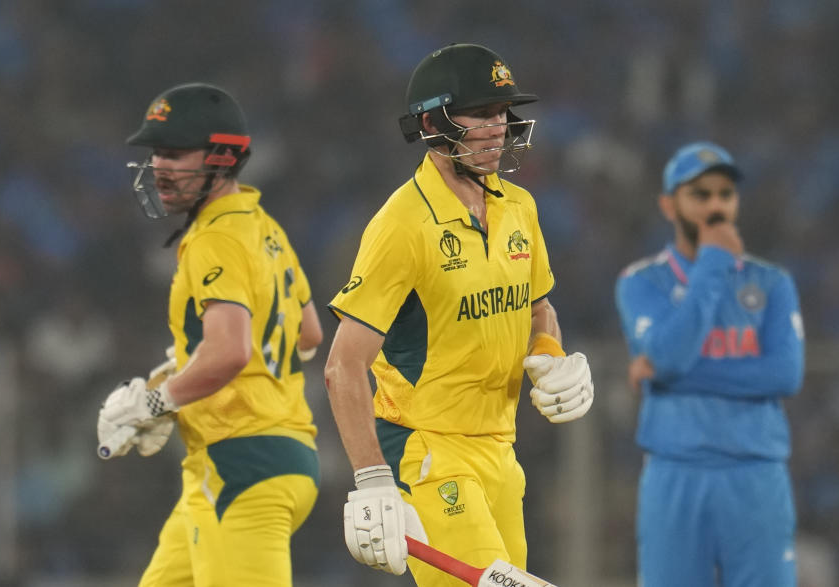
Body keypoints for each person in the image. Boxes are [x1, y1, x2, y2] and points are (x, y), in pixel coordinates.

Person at [323, 43, 594, 585]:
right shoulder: (402, 225)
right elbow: (342, 366)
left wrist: (549, 353)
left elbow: (538, 308)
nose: (498, 128)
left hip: (499, 449)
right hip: (426, 448)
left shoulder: (518, 205)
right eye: (481, 114)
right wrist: (373, 479)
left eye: (502, 113)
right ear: (431, 122)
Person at [96, 82, 324, 586]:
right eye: (156, 153)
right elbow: (307, 334)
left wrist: (157, 402)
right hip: (263, 459)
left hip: (242, 463)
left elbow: (230, 351)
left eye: (176, 153)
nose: (159, 167)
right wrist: (188, 369)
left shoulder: (214, 238)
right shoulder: (264, 227)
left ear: (221, 158)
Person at [615, 141, 805, 587]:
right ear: (668, 205)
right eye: (700, 194)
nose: (716, 205)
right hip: (675, 473)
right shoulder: (642, 283)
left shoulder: (771, 283)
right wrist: (714, 263)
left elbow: (784, 374)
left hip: (755, 474)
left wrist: (668, 376)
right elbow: (668, 355)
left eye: (725, 194)